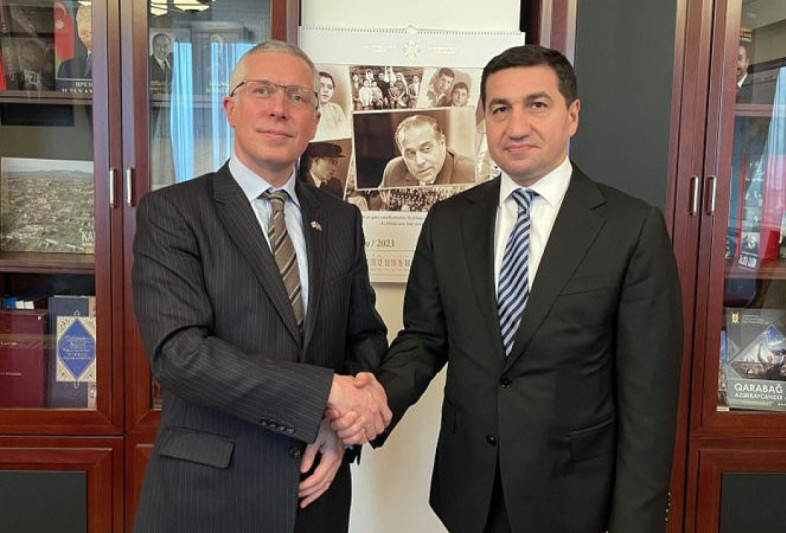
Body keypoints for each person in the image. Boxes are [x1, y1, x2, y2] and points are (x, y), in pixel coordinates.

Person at [341, 44, 684, 532]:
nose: (516, 126)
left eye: (537, 105)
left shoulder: (632, 227)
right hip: (470, 493)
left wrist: (636, 523)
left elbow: (648, 398)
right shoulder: (449, 221)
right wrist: (373, 403)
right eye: (500, 109)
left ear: (573, 115)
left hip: (575, 499)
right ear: (484, 119)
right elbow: (424, 339)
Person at [132, 40, 391, 533]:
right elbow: (179, 354)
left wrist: (340, 429)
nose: (279, 108)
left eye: (297, 96)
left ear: (314, 122)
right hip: (209, 495)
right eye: (262, 90)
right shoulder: (173, 212)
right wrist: (325, 394)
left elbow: (364, 336)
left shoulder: (341, 220)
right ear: (231, 108)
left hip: (315, 491)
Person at [381, 114, 475, 187]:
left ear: (442, 143)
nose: (419, 161)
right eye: (410, 153)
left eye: (426, 149)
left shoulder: (471, 173)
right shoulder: (393, 170)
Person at [56, 5, 92, 82]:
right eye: (80, 20)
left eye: (88, 19)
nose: (84, 27)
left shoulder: (113, 64)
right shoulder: (66, 67)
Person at [314, 71, 350, 140]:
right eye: (321, 86)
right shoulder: (307, 110)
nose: (326, 90)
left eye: (330, 87)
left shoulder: (337, 109)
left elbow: (343, 133)